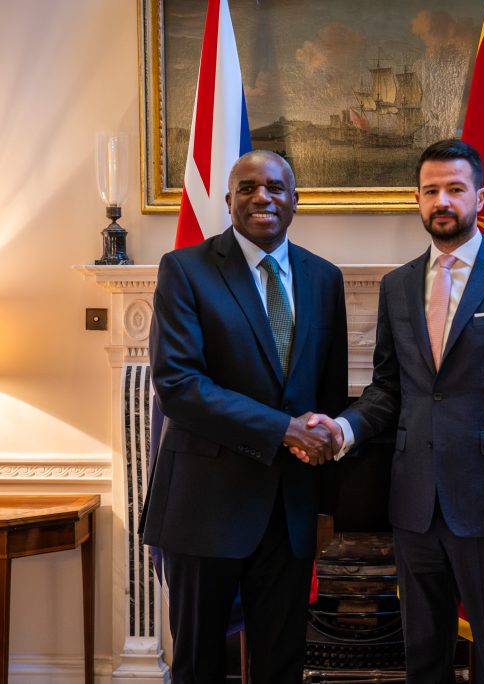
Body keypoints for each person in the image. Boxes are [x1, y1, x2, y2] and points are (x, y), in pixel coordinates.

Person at [301, 139, 484, 683]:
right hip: (414, 507)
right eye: (430, 191)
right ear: (418, 199)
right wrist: (343, 428)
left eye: (454, 189)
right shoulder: (397, 286)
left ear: (480, 198)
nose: (441, 200)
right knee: (423, 657)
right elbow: (387, 390)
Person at [140, 150, 348, 684]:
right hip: (204, 504)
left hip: (290, 508)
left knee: (282, 664)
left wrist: (324, 505)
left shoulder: (325, 278)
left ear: (295, 200)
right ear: (229, 199)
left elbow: (328, 394)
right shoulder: (185, 269)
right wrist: (283, 429)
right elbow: (179, 386)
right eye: (249, 187)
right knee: (199, 665)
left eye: (276, 188)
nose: (263, 197)